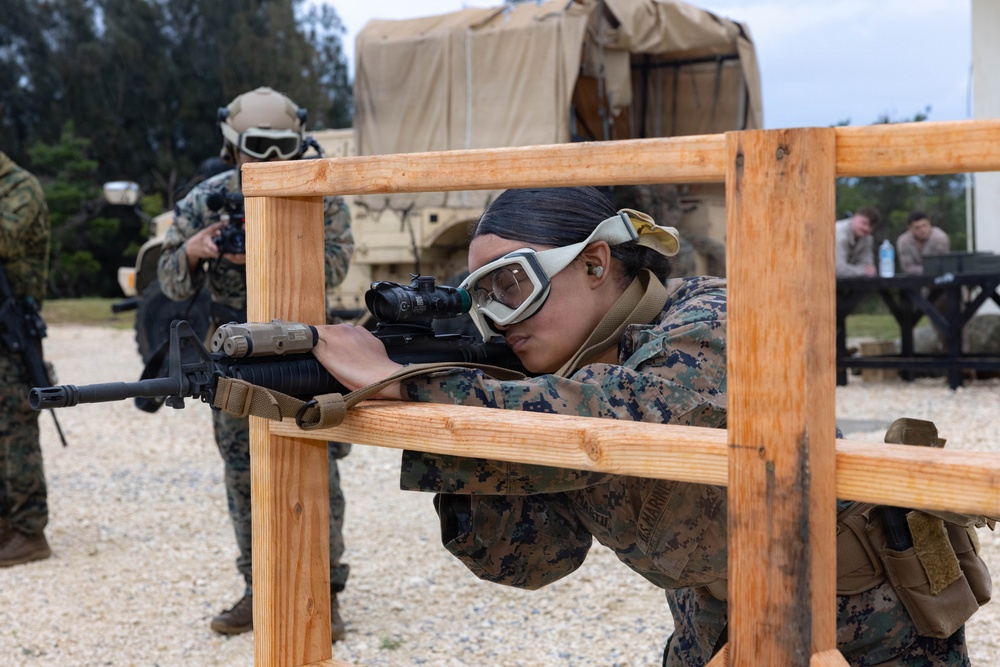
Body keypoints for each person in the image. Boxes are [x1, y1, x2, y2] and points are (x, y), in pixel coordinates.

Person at [308, 187, 984, 666]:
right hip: (715, 627)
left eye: (510, 285)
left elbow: (637, 409)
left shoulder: (715, 319)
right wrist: (447, 425)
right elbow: (531, 555)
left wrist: (421, 387)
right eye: (480, 297)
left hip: (866, 631)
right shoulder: (549, 383)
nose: (498, 318)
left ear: (597, 263)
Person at [157, 87, 355, 639]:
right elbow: (169, 284)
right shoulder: (209, 198)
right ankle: (258, 586)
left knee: (317, 465)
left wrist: (277, 250)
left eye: (281, 149)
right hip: (231, 352)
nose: (269, 164)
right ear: (233, 147)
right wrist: (194, 252)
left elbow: (336, 267)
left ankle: (326, 591)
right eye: (257, 149)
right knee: (243, 472)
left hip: (305, 348)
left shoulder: (321, 195)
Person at [0, 151, 53, 567]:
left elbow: (6, 237)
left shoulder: (21, 187)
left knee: (15, 424)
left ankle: (29, 530)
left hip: (13, 327)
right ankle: (5, 522)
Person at [896, 211, 950, 275]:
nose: (922, 230)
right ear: (910, 229)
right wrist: (926, 270)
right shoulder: (903, 241)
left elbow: (943, 264)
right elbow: (907, 267)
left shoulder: (940, 237)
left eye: (925, 225)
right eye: (917, 228)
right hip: (913, 279)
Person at [835, 207, 879, 277]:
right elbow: (837, 270)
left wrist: (865, 270)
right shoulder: (838, 232)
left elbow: (868, 267)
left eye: (870, 226)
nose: (866, 228)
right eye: (864, 223)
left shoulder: (867, 238)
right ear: (855, 217)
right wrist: (863, 271)